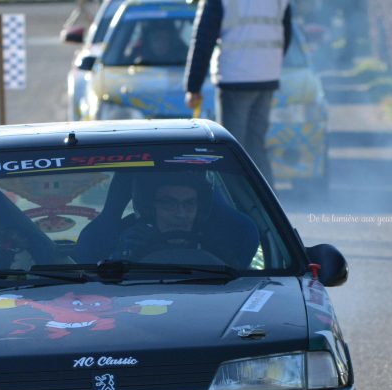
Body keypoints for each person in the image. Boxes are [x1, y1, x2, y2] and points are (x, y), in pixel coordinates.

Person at [184, 0, 292, 187]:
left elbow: (203, 39)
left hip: (235, 78)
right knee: (256, 146)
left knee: (232, 150)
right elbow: (287, 32)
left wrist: (193, 87)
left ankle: (234, 204)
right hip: (266, 78)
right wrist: (268, 63)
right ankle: (268, 208)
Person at [110, 172, 259, 269]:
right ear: (150, 208)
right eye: (169, 203)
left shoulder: (217, 246)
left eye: (189, 203)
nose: (181, 214)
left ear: (200, 209)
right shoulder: (129, 243)